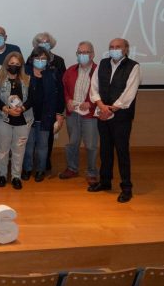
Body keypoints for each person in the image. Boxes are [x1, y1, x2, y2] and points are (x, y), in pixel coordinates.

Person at [88, 38, 141, 203]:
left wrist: (110, 109)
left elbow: (129, 93)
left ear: (126, 49)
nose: (114, 49)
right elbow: (94, 86)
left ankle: (126, 187)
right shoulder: (102, 64)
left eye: (118, 47)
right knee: (105, 150)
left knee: (122, 151)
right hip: (102, 112)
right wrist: (101, 106)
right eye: (111, 47)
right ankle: (105, 182)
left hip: (121, 117)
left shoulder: (133, 66)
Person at [22, 47, 65, 182]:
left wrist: (59, 113)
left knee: (43, 145)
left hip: (46, 115)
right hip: (28, 115)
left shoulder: (53, 74)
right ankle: (27, 169)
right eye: (37, 58)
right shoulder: (25, 72)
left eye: (43, 59)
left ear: (47, 61)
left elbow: (60, 95)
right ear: (31, 59)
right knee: (28, 146)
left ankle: (41, 170)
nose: (40, 61)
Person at [60, 41, 99, 184]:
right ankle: (72, 168)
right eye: (80, 52)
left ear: (92, 54)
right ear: (77, 55)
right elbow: (64, 89)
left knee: (91, 145)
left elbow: (104, 92)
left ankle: (92, 172)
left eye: (86, 52)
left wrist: (92, 103)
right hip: (73, 114)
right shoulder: (70, 70)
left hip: (90, 115)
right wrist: (68, 100)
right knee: (72, 143)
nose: (82, 55)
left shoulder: (99, 71)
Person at [0, 52, 32, 190]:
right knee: (2, 149)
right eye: (11, 63)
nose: (13, 66)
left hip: (23, 119)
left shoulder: (27, 79)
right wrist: (6, 109)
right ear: (6, 64)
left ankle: (16, 176)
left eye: (17, 64)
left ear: (21, 65)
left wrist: (21, 108)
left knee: (19, 150)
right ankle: (2, 175)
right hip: (3, 118)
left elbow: (31, 99)